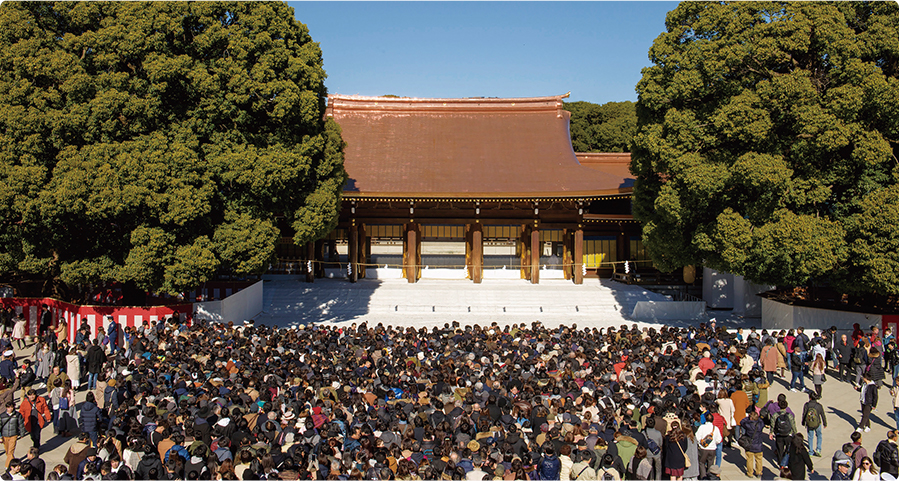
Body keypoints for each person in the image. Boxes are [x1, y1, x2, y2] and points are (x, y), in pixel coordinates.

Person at [769, 398, 797, 468]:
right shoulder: (789, 415)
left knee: (779, 450)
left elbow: (772, 424)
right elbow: (793, 425)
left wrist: (771, 432)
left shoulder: (775, 415)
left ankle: (780, 464)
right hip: (788, 434)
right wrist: (795, 434)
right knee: (788, 449)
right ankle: (786, 462)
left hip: (779, 435)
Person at [741, 410, 765, 479]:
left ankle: (750, 473)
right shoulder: (760, 424)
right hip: (758, 445)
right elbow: (762, 421)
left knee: (749, 459)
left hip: (750, 445)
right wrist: (758, 418)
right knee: (759, 460)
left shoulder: (748, 425)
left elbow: (742, 421)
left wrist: (747, 418)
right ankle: (759, 472)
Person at [0, 401, 25, 468]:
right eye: (8, 407)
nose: (10, 409)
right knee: (7, 452)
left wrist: (22, 433)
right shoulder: (2, 416)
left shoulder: (17, 415)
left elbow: (21, 424)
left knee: (10, 452)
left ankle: (7, 466)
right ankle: (14, 463)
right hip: (4, 435)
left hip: (13, 434)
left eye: (11, 407)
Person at [802, 392, 827, 457]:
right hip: (817, 423)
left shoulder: (806, 405)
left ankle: (811, 451)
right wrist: (825, 423)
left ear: (810, 398)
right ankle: (818, 449)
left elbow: (804, 414)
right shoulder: (819, 405)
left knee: (810, 437)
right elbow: (822, 415)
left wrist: (803, 422)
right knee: (819, 435)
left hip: (809, 423)